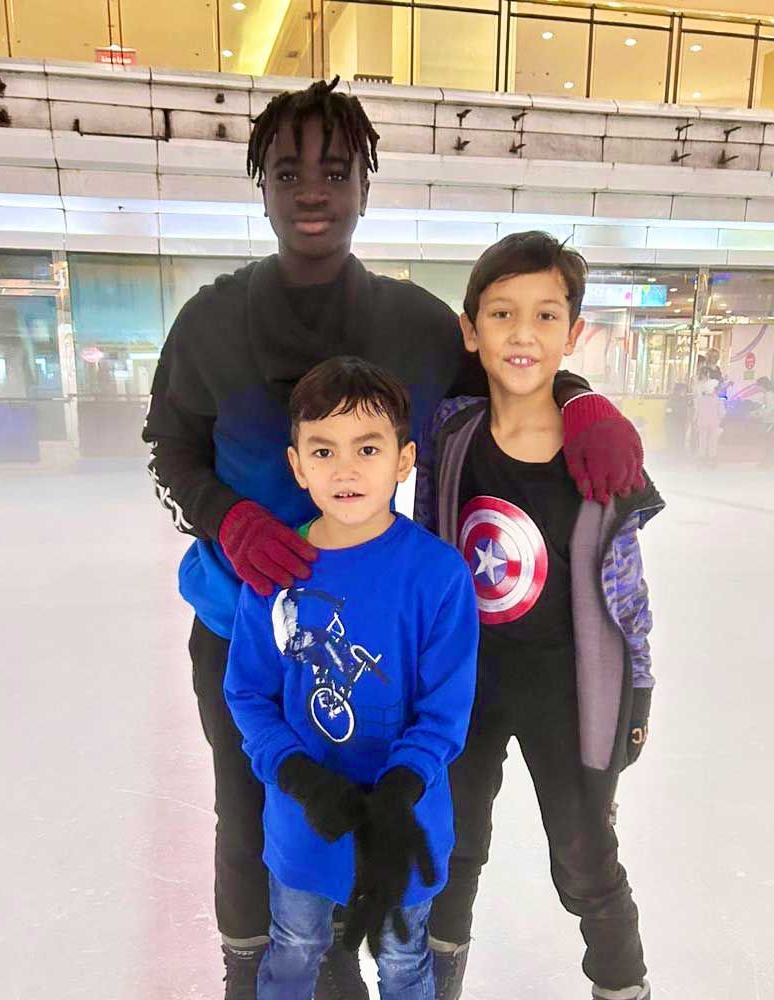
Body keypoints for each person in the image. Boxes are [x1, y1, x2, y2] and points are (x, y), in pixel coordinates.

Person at [141, 76, 645, 999]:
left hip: (381, 640)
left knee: (377, 813)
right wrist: (227, 518)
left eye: (335, 170)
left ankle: (384, 963)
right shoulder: (210, 321)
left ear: (366, 187)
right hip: (247, 622)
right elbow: (167, 442)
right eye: (288, 171)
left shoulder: (413, 324)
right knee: (250, 815)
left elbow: (511, 372)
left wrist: (583, 401)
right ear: (261, 187)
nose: (313, 190)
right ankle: (255, 977)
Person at [415, 232, 664, 1000]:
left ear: (573, 332)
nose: (522, 334)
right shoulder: (451, 431)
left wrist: (641, 690)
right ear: (470, 329)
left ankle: (621, 987)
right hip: (468, 685)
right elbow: (427, 544)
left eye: (546, 315)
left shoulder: (601, 452)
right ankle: (435, 980)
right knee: (451, 849)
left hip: (569, 686)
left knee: (587, 858)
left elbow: (626, 587)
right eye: (501, 313)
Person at [223, 357, 479, 1000]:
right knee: (296, 946)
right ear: (297, 464)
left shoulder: (438, 575)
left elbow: (445, 709)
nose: (345, 468)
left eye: (367, 447)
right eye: (323, 449)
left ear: (403, 459)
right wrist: (298, 776)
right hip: (304, 826)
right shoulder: (276, 571)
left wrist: (399, 791)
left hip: (402, 822)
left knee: (401, 960)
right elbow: (248, 692)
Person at [693, 373, 724, 467]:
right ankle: (712, 459)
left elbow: (696, 412)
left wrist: (695, 421)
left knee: (702, 441)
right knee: (712, 442)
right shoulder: (718, 400)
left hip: (702, 423)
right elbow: (722, 413)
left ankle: (701, 459)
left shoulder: (700, 400)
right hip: (714, 423)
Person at [664, 381, 690, 458]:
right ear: (678, 391)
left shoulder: (683, 400)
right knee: (674, 439)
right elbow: (668, 412)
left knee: (680, 439)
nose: (684, 392)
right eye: (683, 390)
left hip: (680, 422)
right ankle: (674, 456)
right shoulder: (672, 400)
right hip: (674, 422)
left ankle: (678, 455)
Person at [755, 376, 774, 467]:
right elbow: (765, 407)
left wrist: (759, 414)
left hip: (771, 422)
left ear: (763, 385)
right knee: (769, 443)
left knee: (769, 443)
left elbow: (769, 408)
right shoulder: (768, 394)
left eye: (758, 386)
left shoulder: (769, 395)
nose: (757, 388)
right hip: (769, 421)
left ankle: (768, 463)